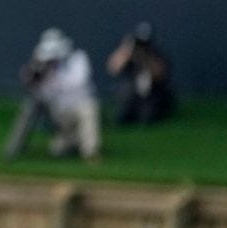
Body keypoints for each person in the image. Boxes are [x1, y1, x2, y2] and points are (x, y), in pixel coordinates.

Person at [16, 27, 101, 162]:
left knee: (88, 109)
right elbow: (41, 93)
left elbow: (78, 82)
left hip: (79, 106)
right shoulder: (44, 66)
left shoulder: (78, 58)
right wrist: (34, 77)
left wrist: (52, 77)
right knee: (57, 150)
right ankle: (73, 141)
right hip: (60, 113)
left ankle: (90, 152)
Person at [107, 21, 175, 124]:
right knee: (122, 117)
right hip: (133, 96)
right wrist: (127, 48)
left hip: (152, 96)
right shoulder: (129, 56)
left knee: (148, 117)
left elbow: (160, 73)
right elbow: (113, 68)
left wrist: (144, 57)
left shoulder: (155, 55)